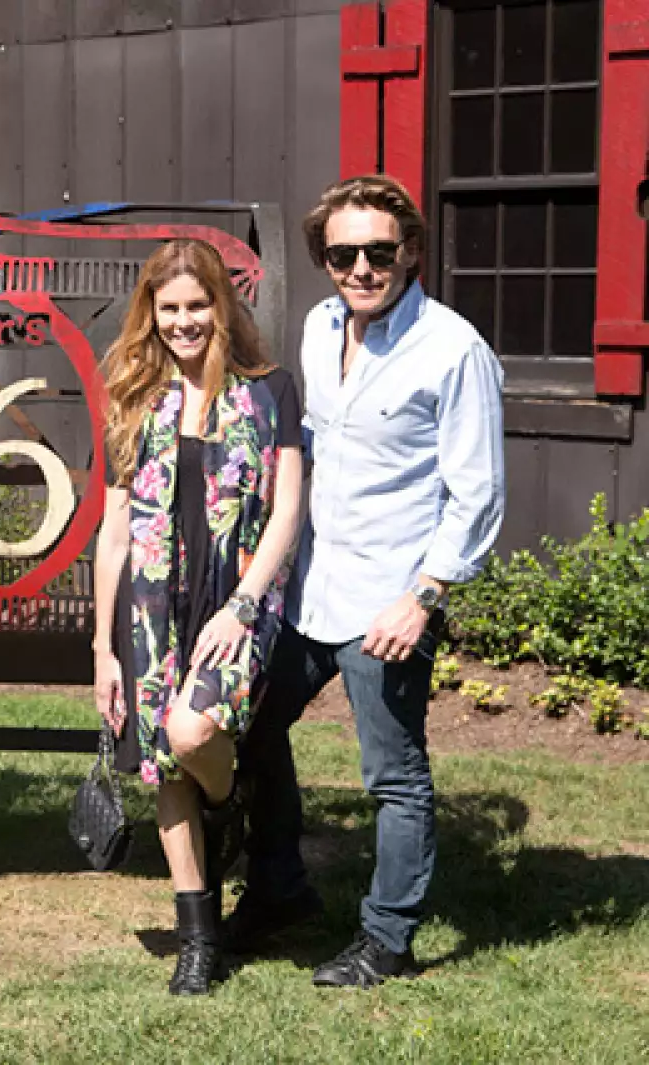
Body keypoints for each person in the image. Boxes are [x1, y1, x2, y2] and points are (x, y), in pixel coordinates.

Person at [230, 174, 505, 988]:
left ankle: (387, 937)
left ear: (411, 251)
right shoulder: (319, 327)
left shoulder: (453, 350)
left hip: (387, 601)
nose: (360, 268)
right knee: (248, 725)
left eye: (379, 251)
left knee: (393, 774)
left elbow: (478, 491)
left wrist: (424, 597)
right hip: (309, 588)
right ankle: (280, 887)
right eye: (342, 253)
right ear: (323, 259)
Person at [91, 240, 306, 995]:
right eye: (169, 307)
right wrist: (102, 651)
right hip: (150, 611)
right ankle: (198, 940)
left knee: (190, 735)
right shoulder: (133, 399)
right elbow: (114, 531)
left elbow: (286, 513)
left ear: (222, 307)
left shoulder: (269, 390)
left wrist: (244, 605)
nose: (184, 321)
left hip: (237, 602)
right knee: (165, 768)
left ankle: (234, 798)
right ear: (151, 313)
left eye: (197, 305)